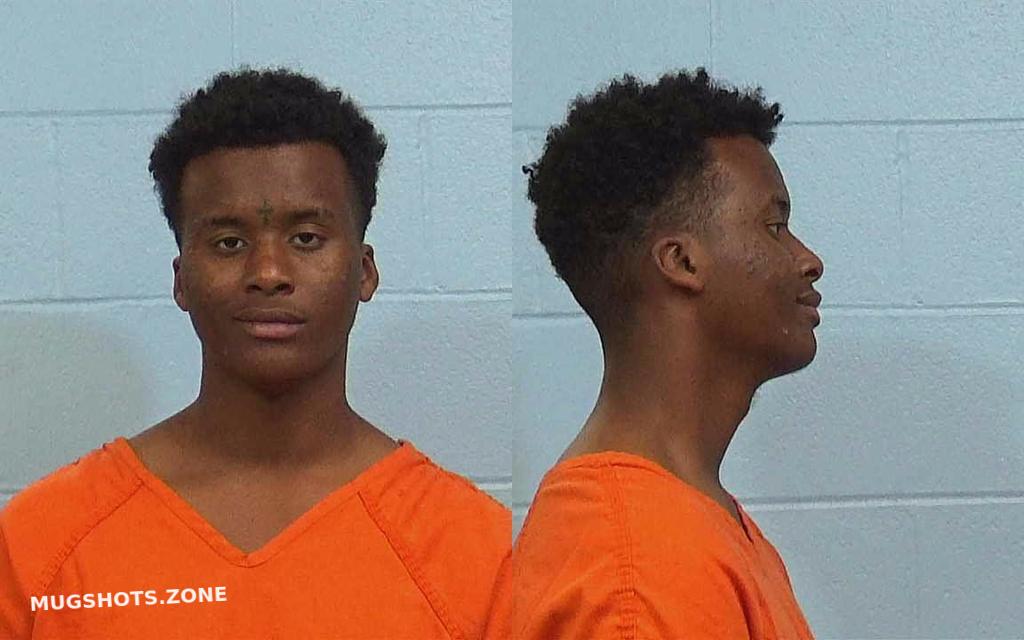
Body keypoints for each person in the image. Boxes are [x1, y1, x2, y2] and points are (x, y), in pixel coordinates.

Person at [0, 68, 510, 639]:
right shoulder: (40, 541)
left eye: (306, 238)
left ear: (364, 271)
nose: (268, 272)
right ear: (182, 279)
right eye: (229, 242)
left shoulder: (478, 552)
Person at [512, 69, 822, 639]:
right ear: (681, 262)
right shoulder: (635, 573)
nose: (808, 260)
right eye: (774, 226)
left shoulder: (694, 526)